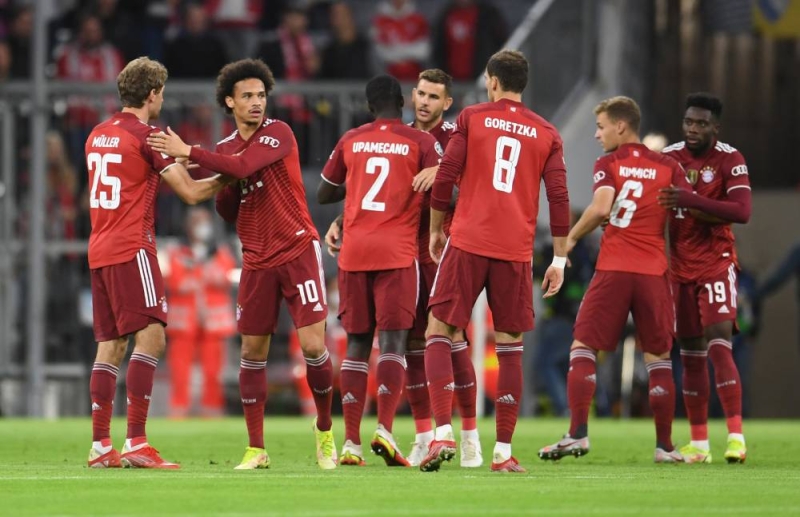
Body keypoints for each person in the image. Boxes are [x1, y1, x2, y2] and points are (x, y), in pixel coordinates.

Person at [146, 59, 337, 470]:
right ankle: (256, 448)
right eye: (247, 96)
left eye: (261, 95)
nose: (256, 102)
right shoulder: (226, 148)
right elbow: (227, 208)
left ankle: (324, 429)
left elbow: (244, 166)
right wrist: (220, 184)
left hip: (297, 250)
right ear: (230, 102)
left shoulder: (278, 133)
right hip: (257, 259)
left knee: (313, 346)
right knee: (252, 352)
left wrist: (190, 152)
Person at [324, 69, 482, 468]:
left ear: (447, 103)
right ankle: (424, 436)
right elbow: (376, 190)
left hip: (440, 249)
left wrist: (443, 174)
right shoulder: (409, 137)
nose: (425, 102)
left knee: (451, 338)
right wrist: (342, 219)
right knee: (410, 344)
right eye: (421, 94)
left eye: (434, 96)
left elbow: (473, 191)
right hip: (403, 249)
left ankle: (469, 436)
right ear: (410, 97)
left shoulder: (456, 139)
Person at [421, 49, 570, 473]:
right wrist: (559, 258)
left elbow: (446, 176)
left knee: (438, 329)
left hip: (468, 240)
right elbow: (559, 198)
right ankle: (502, 452)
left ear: (492, 81)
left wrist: (435, 230)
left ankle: (442, 434)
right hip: (515, 250)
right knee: (509, 347)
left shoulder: (472, 117)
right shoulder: (547, 133)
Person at [86, 57, 232, 469]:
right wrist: (233, 173)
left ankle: (101, 446)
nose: (163, 99)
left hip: (100, 247)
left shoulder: (98, 133)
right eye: (162, 93)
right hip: (133, 246)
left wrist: (180, 161)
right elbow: (190, 193)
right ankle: (136, 441)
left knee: (110, 345)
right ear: (152, 95)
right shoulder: (148, 136)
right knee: (151, 338)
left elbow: (134, 172)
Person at [538, 96, 692, 464]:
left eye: (601, 126)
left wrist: (569, 240)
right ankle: (665, 446)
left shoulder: (610, 163)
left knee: (583, 347)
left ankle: (577, 434)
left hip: (615, 268)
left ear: (621, 126)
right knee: (658, 357)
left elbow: (602, 207)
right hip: (654, 271)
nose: (597, 135)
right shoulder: (669, 166)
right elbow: (685, 213)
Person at [659, 93, 752, 464]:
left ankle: (736, 438)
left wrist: (692, 200)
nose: (693, 129)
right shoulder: (668, 158)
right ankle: (699, 444)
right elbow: (653, 201)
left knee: (719, 344)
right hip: (680, 269)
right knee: (691, 355)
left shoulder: (731, 159)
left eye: (701, 123)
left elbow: (742, 211)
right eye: (688, 122)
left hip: (716, 262)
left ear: (716, 127)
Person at [164, 207, 236, 418]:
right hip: (184, 321)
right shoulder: (176, 252)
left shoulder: (221, 252)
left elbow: (225, 276)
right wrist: (202, 275)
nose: (203, 227)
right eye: (197, 222)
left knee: (213, 371)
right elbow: (174, 281)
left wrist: (198, 274)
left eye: (205, 222)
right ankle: (178, 411)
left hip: (213, 322)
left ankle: (211, 411)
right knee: (179, 370)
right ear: (188, 226)